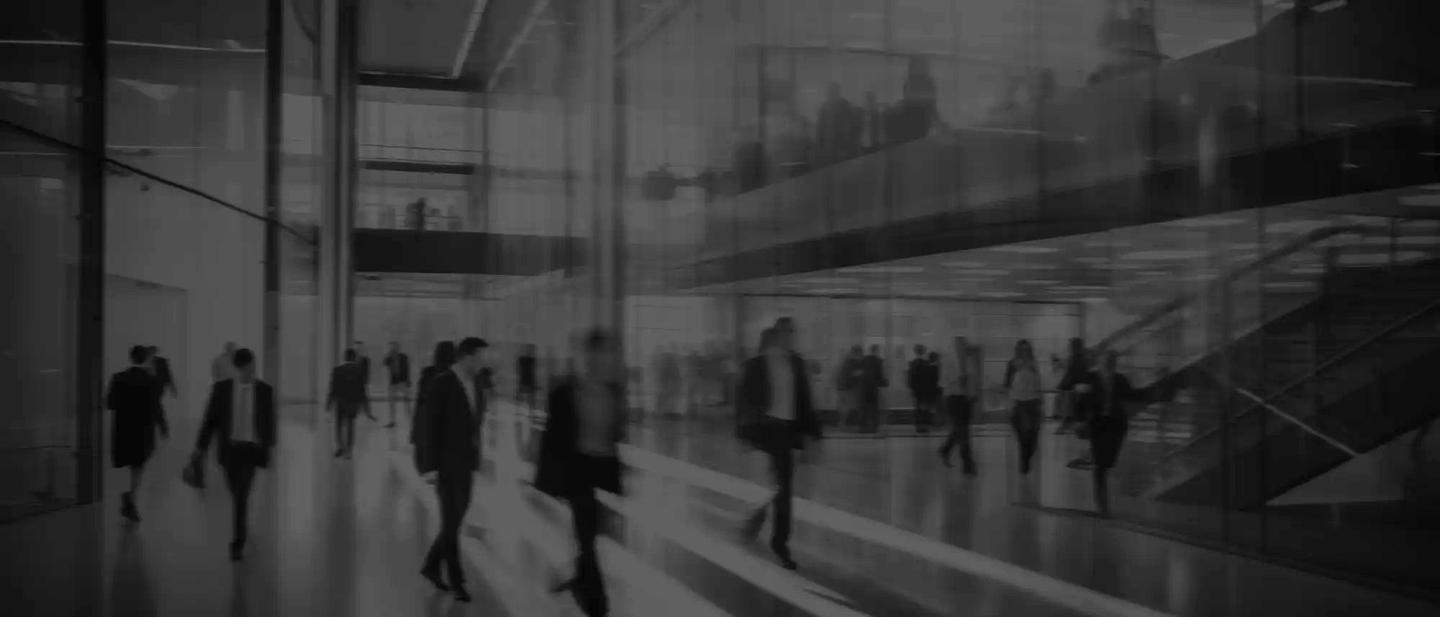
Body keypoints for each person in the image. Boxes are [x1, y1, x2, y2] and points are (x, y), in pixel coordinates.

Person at [534, 329, 628, 617]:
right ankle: (598, 606)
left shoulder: (614, 391)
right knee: (587, 537)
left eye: (604, 355)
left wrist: (619, 480)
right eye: (594, 355)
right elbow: (551, 438)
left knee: (593, 534)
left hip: (603, 470)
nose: (599, 361)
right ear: (584, 356)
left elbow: (616, 437)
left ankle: (578, 580)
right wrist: (544, 479)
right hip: (577, 471)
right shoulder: (564, 391)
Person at [737, 318, 822, 570]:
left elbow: (805, 400)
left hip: (786, 432)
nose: (791, 337)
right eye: (788, 332)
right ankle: (757, 515)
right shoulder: (756, 364)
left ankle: (780, 542)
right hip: (765, 429)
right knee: (770, 485)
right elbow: (744, 400)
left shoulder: (796, 362)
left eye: (793, 332)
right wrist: (743, 433)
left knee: (783, 488)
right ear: (777, 334)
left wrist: (813, 434)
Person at [418, 337, 489, 603]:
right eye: (481, 357)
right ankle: (458, 581)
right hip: (445, 464)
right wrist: (429, 467)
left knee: (456, 518)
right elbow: (430, 427)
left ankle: (431, 565)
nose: (484, 362)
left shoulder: (477, 384)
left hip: (465, 463)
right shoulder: (442, 383)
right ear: (466, 357)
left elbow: (475, 423)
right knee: (451, 520)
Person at [192, 348, 276, 561]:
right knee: (236, 492)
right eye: (249, 367)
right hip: (229, 451)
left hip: (251, 450)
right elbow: (209, 422)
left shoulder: (265, 391)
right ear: (240, 368)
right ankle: (241, 520)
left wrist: (269, 447)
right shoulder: (222, 390)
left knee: (241, 495)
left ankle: (238, 542)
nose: (252, 371)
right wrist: (199, 448)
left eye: (254, 367)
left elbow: (269, 422)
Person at [1073, 350, 1144, 516]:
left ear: (1115, 363)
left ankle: (1098, 462)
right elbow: (1080, 401)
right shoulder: (1090, 378)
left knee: (1109, 461)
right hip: (1098, 424)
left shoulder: (1120, 379)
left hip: (1116, 425)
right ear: (1100, 361)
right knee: (1100, 464)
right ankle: (1102, 503)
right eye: (1106, 360)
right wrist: (1078, 420)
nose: (1109, 363)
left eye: (1112, 360)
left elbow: (1133, 395)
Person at [107, 345, 168, 522]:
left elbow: (110, 403)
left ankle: (124, 501)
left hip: (121, 431)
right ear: (146, 359)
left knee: (121, 468)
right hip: (142, 432)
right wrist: (163, 426)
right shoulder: (151, 381)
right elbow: (156, 407)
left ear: (131, 357)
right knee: (137, 468)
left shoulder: (118, 378)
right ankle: (131, 500)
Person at [411, 341, 456, 477]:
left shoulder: (427, 373)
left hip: (425, 422)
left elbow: (420, 401)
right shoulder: (455, 375)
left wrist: (415, 428)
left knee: (423, 466)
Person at [939, 338, 980, 474]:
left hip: (966, 398)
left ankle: (945, 449)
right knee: (963, 430)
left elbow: (972, 378)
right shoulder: (950, 359)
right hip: (954, 397)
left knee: (961, 429)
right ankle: (967, 463)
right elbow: (945, 381)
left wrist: (973, 393)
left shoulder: (968, 359)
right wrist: (959, 378)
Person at [1004, 340, 1044, 474]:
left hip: (1033, 402)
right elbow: (1007, 385)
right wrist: (1009, 405)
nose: (1025, 352)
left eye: (1027, 349)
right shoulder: (1012, 364)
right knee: (1023, 436)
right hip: (1018, 403)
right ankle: (1024, 466)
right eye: (1022, 350)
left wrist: (1041, 400)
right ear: (1018, 351)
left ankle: (1026, 459)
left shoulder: (1034, 363)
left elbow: (1038, 382)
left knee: (1033, 438)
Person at [327, 349, 372, 459]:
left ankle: (340, 447)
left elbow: (333, 389)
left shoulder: (337, 370)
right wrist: (364, 405)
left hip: (340, 402)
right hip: (353, 402)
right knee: (350, 425)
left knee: (339, 425)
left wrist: (329, 404)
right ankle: (349, 451)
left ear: (344, 357)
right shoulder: (360, 370)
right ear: (354, 358)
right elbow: (362, 389)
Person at [859, 344, 887, 433]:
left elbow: (861, 373)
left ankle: (864, 427)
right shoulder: (879, 361)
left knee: (864, 409)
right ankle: (874, 427)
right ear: (877, 351)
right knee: (874, 408)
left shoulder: (864, 359)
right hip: (873, 388)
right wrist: (883, 382)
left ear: (871, 350)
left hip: (864, 388)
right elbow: (880, 376)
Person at [383, 342, 411, 429]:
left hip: (402, 381)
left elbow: (407, 368)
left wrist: (408, 380)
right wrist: (388, 354)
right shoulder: (390, 358)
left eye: (395, 347)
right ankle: (392, 421)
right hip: (393, 382)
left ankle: (410, 420)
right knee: (392, 403)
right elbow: (385, 363)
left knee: (407, 401)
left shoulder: (404, 356)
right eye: (392, 347)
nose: (394, 349)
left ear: (398, 348)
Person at [516, 343, 539, 411]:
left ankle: (528, 411)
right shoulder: (528, 359)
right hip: (526, 380)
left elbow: (533, 370)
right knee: (529, 398)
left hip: (527, 380)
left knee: (530, 398)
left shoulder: (527, 359)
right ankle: (527, 410)